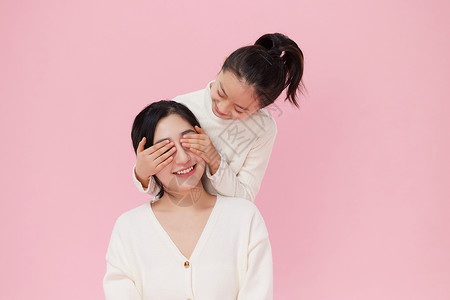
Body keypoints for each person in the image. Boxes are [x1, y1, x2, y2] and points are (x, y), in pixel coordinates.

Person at [104, 101, 273, 299]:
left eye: (189, 142)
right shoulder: (129, 228)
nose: (183, 158)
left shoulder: (245, 219)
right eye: (166, 150)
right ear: (146, 161)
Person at [134, 32, 305, 202]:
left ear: (262, 107)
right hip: (179, 216)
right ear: (223, 66)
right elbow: (164, 187)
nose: (222, 108)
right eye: (221, 92)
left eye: (240, 109)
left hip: (225, 219)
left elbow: (245, 198)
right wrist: (142, 173)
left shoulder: (262, 128)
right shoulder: (181, 107)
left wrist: (215, 160)